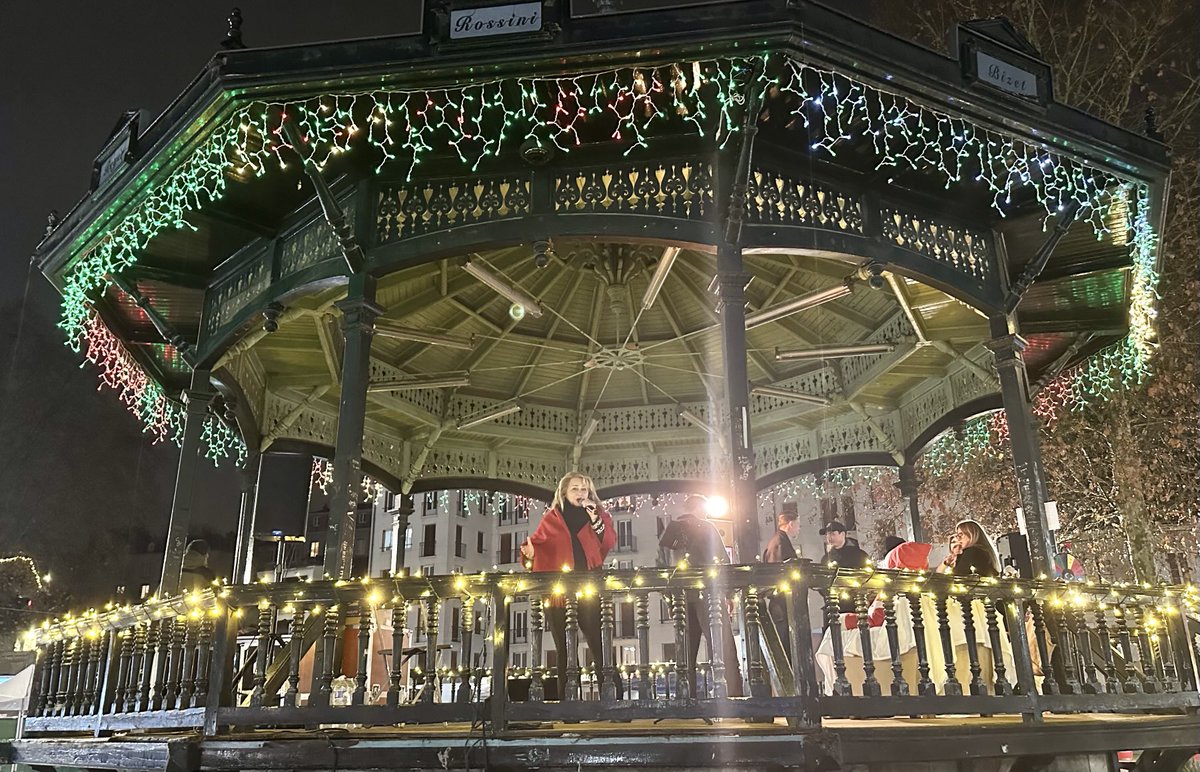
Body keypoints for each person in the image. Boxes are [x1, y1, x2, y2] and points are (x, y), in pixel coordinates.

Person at [520, 472, 617, 699]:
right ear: (564, 492)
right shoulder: (552, 518)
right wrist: (531, 555)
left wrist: (595, 519)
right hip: (558, 592)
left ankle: (613, 699)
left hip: (589, 588)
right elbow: (534, 547)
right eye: (575, 489)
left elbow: (609, 541)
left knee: (599, 644)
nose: (581, 494)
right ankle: (568, 703)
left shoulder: (597, 515)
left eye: (584, 489)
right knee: (563, 649)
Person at [657, 495, 744, 698]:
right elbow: (722, 561)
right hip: (709, 595)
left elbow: (661, 568)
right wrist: (729, 594)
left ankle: (686, 700)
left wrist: (669, 599)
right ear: (700, 508)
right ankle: (733, 697)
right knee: (723, 649)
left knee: (685, 653)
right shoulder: (707, 528)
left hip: (681, 596)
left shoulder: (669, 532)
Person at [761, 511, 800, 638]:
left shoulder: (776, 540)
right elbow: (780, 571)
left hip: (780, 601)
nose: (799, 529)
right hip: (782, 602)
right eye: (798, 525)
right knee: (785, 640)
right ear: (791, 524)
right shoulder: (780, 542)